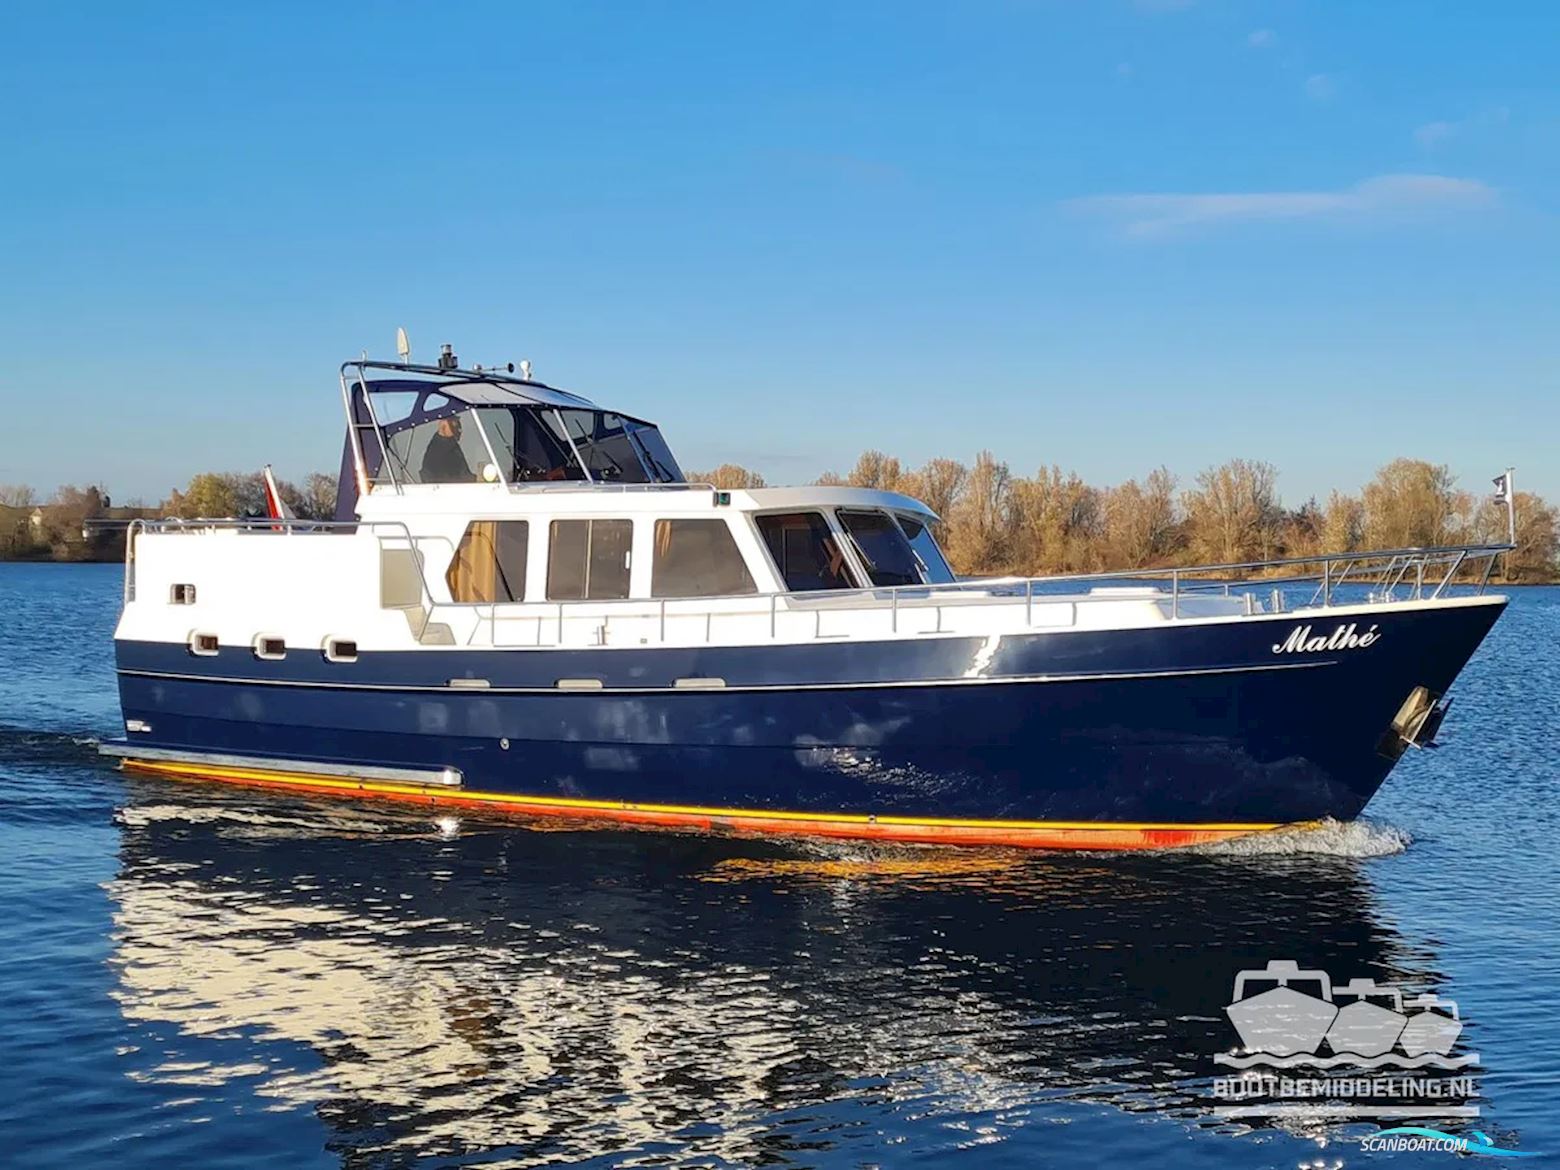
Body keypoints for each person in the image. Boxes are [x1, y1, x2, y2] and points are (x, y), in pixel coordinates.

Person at [420, 416, 475, 483]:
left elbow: (464, 473)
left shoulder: (453, 447)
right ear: (443, 426)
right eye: (455, 425)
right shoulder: (435, 451)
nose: (459, 430)